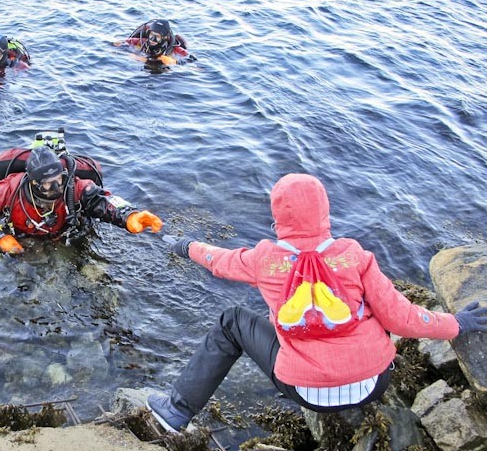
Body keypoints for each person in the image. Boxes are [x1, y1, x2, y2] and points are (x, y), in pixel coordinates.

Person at [147, 173, 487, 432]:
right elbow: (401, 318)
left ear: (276, 217)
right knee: (373, 311)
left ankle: (177, 410)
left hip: (304, 391)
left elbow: (219, 260)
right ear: (325, 211)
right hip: (374, 384)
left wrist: (184, 245)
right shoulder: (354, 255)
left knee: (232, 321)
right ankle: (349, 381)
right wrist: (457, 324)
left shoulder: (266, 259)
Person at [0, 144, 162, 254]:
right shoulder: (9, 189)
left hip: (66, 237)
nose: (56, 188)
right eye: (48, 184)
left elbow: (102, 200)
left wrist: (129, 215)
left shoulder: (72, 186)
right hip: (25, 240)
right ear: (32, 183)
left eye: (59, 180)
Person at [123, 19, 193, 64]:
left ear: (165, 37)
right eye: (151, 35)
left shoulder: (176, 49)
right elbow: (120, 43)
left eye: (158, 37)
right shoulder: (142, 42)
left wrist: (176, 62)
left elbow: (192, 61)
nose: (152, 39)